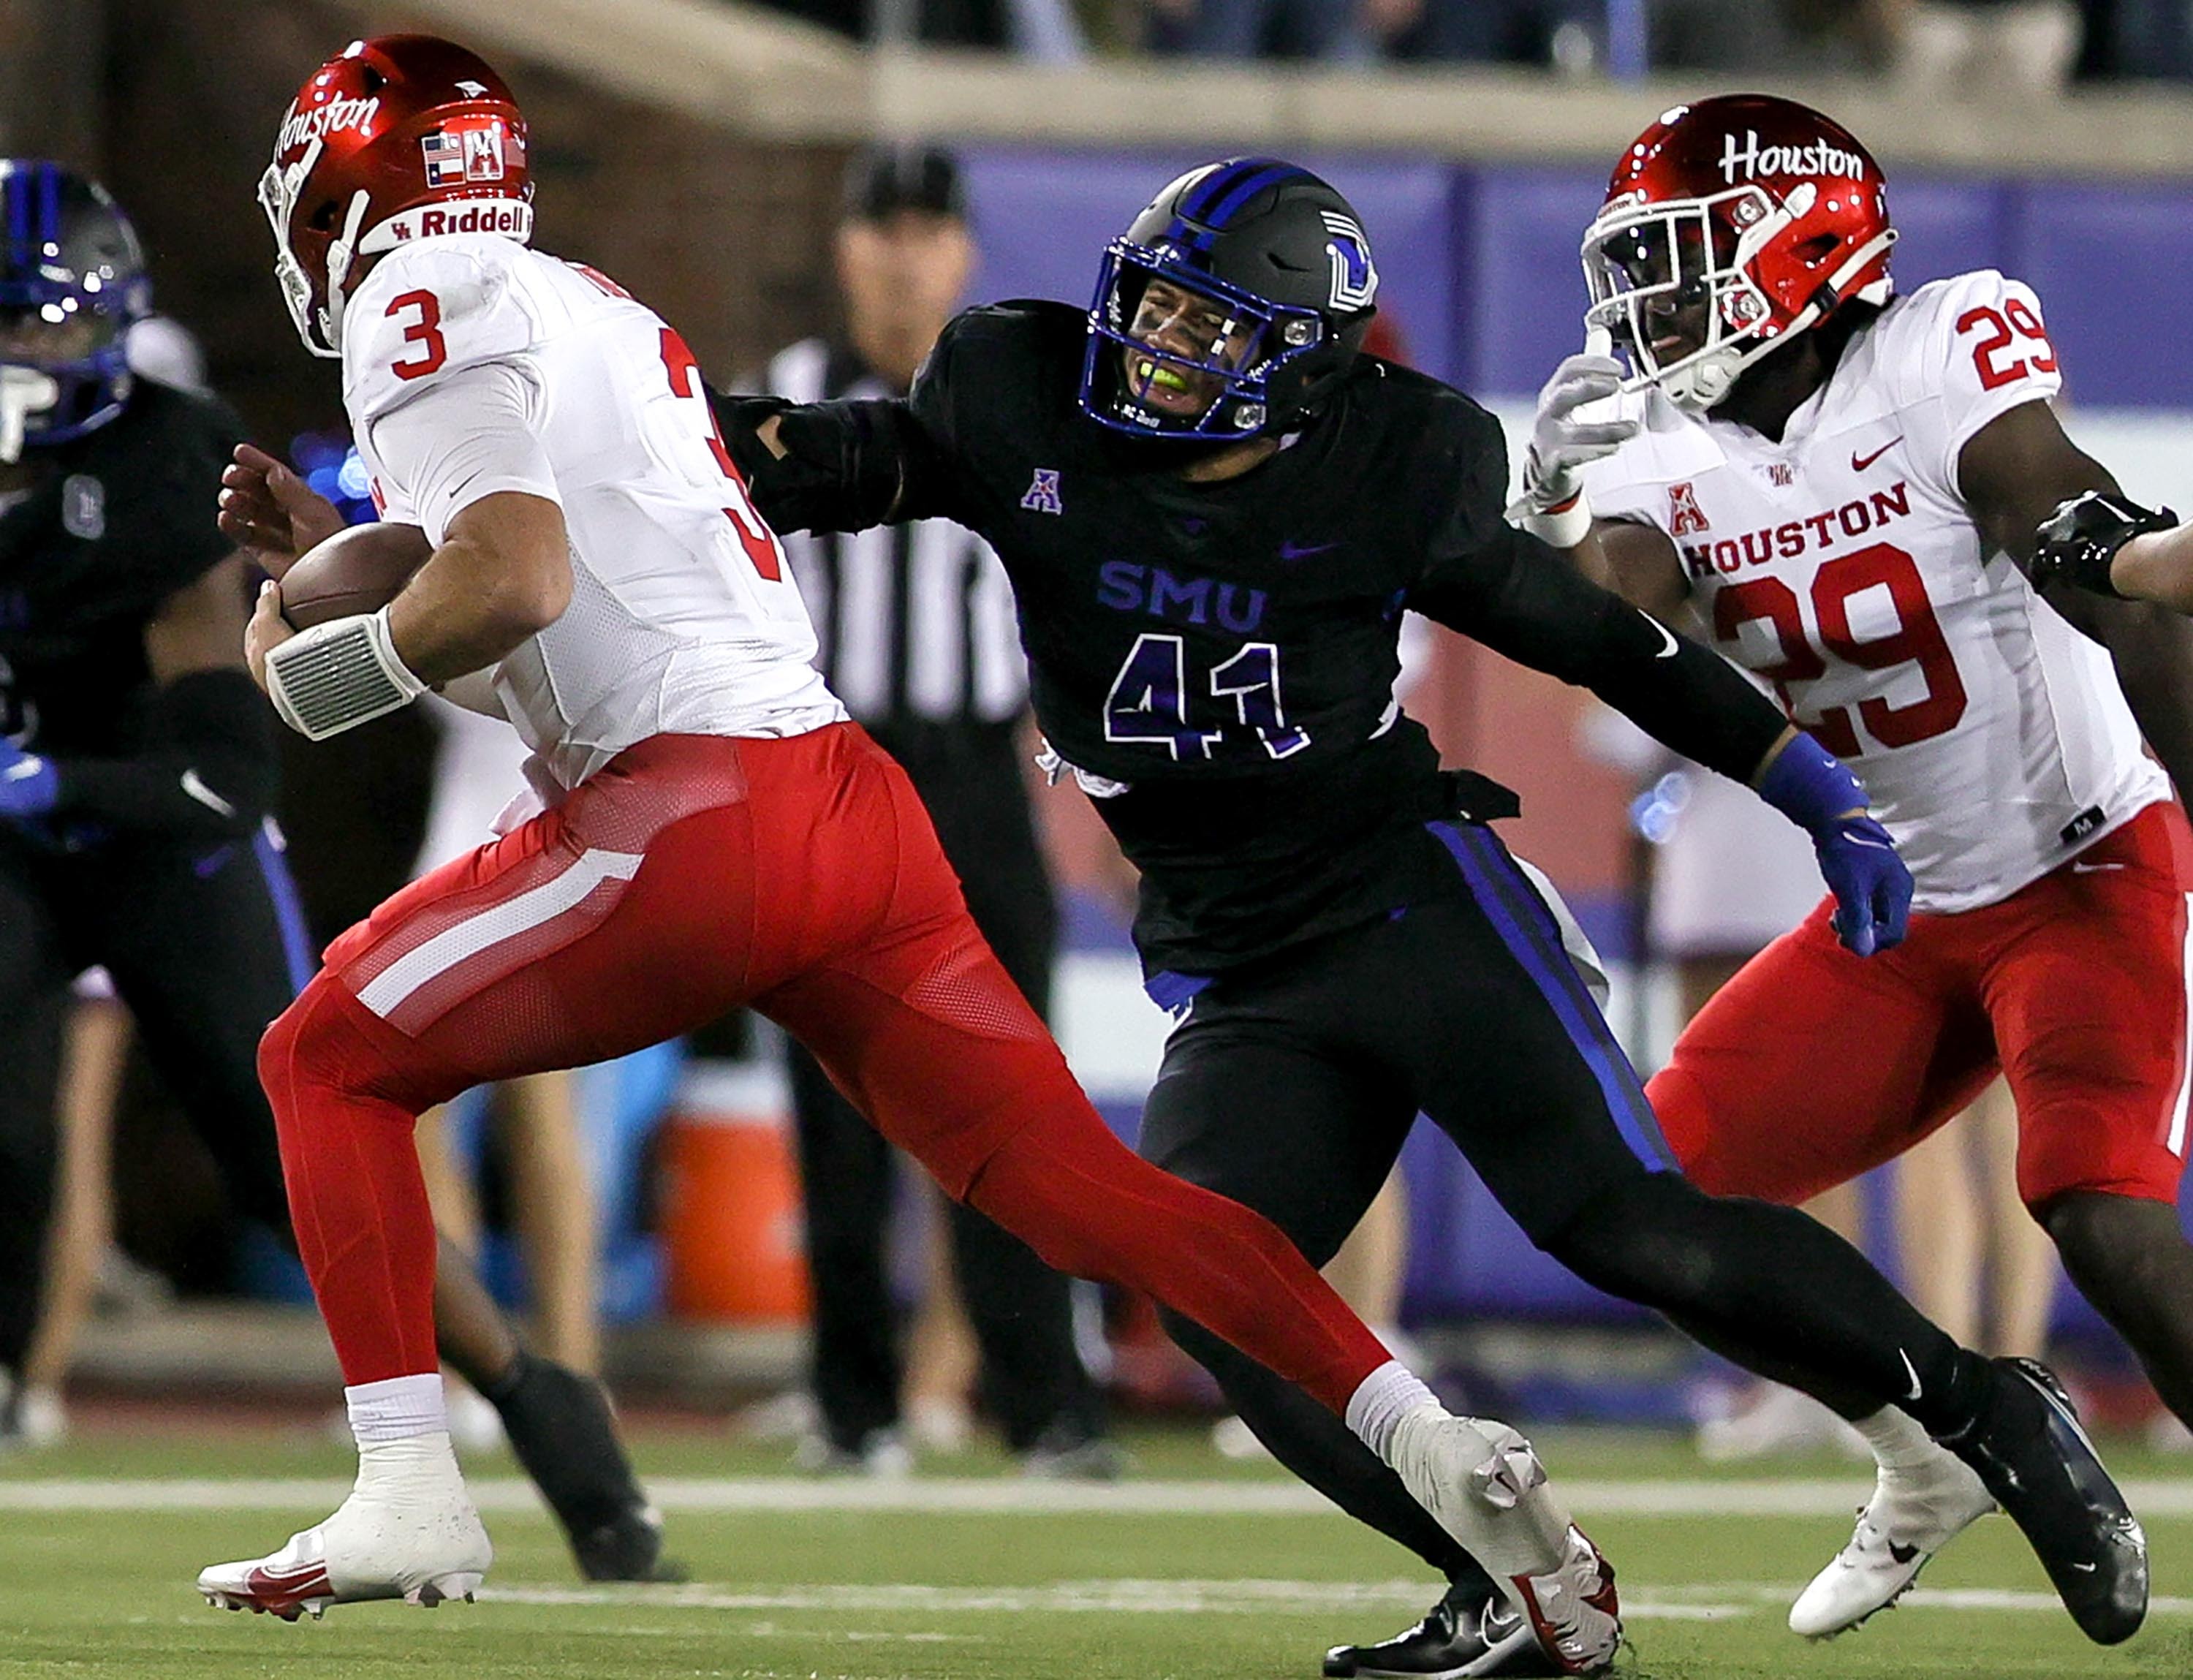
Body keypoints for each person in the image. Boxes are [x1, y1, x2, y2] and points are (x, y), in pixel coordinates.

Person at [198, 42, 1631, 1670]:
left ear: (349, 178)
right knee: (1091, 1197)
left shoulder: (420, 294)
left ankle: (406, 1482)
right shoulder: (576, 298)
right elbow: (525, 569)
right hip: (844, 804)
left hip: (689, 810)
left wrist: (314, 673)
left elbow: (513, 580)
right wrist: (352, 572)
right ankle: (1447, 1457)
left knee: (321, 1057)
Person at [713, 151, 2148, 1673]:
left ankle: (1981, 1404)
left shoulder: (1392, 460)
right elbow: (841, 460)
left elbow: (1602, 641)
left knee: (1622, 1218)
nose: (1155, 352)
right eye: (1151, 312)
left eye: (1207, 333)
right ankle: (1518, 1587)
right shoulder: (1019, 390)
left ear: (1299, 367)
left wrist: (1810, 788)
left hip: (1409, 899)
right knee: (1221, 1294)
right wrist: (646, 437)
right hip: (1235, 957)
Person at [1518, 91, 2193, 1643]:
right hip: (1907, 907)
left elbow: (2059, 521)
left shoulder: (1939, 346)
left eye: (1678, 260)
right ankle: (1936, 1437)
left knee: (2102, 1214)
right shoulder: (1667, 449)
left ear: (1797, 241)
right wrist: (1549, 514)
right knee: (1649, 1201)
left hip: (2081, 864)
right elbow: (1633, 648)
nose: (1645, 306)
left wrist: (2141, 574)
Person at [0, 156, 672, 1583]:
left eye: (41, 330)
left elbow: (219, 774)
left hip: (155, 833)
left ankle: (536, 1402)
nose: (20, 362)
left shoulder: (166, 458)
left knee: (291, 1158)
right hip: (14, 825)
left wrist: (46, 775)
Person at [756, 142, 1113, 1477]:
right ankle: (854, 1406)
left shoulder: (1021, 395)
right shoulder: (788, 395)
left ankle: (1046, 1404)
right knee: (834, 1093)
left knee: (1007, 1088)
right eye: (880, 227)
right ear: (846, 247)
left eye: (926, 229)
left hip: (973, 768)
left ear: (963, 250)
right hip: (828, 757)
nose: (903, 255)